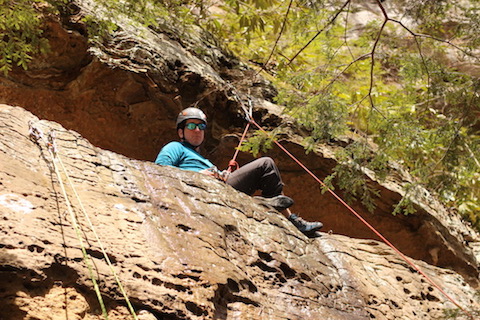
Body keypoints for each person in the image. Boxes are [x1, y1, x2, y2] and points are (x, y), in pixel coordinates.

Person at [155, 107, 323, 237]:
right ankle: (270, 207)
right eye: (191, 126)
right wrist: (198, 176)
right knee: (265, 163)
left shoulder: (203, 160)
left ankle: (286, 216)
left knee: (267, 168)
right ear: (180, 131)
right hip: (202, 189)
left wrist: (222, 174)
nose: (197, 130)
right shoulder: (175, 147)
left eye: (201, 126)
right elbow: (158, 171)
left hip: (221, 189)